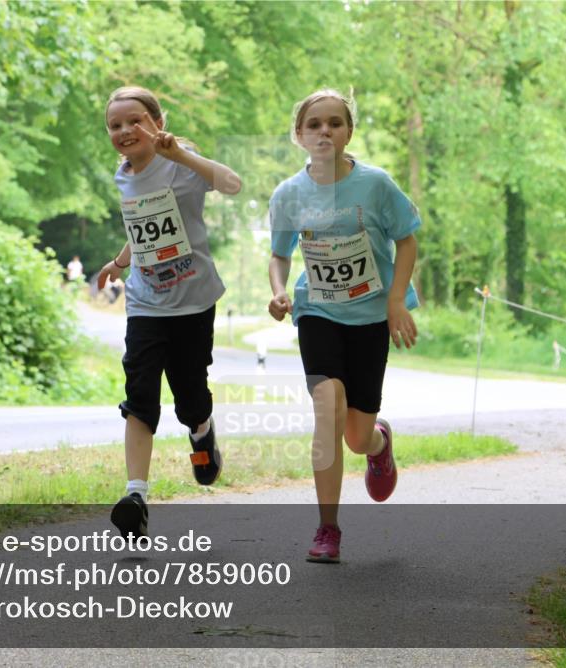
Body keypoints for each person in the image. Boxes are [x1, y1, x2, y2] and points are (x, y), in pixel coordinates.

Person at [267, 89, 420, 563]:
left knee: (356, 436)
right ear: (299, 134)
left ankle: (379, 443)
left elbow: (407, 241)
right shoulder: (289, 193)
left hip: (370, 315)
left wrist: (396, 301)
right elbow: (279, 254)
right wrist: (278, 291)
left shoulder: (375, 185)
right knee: (327, 406)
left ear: (349, 132)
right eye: (314, 124)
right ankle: (327, 528)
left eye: (335, 122)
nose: (325, 131)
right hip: (317, 311)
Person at [95, 86, 243, 539]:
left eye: (134, 120)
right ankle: (135, 495)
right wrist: (120, 263)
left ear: (157, 122)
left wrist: (181, 154)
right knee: (140, 392)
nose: (125, 131)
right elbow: (140, 226)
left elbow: (234, 185)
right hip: (145, 302)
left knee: (189, 394)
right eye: (115, 125)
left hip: (193, 301)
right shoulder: (123, 174)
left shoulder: (181, 161)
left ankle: (202, 432)